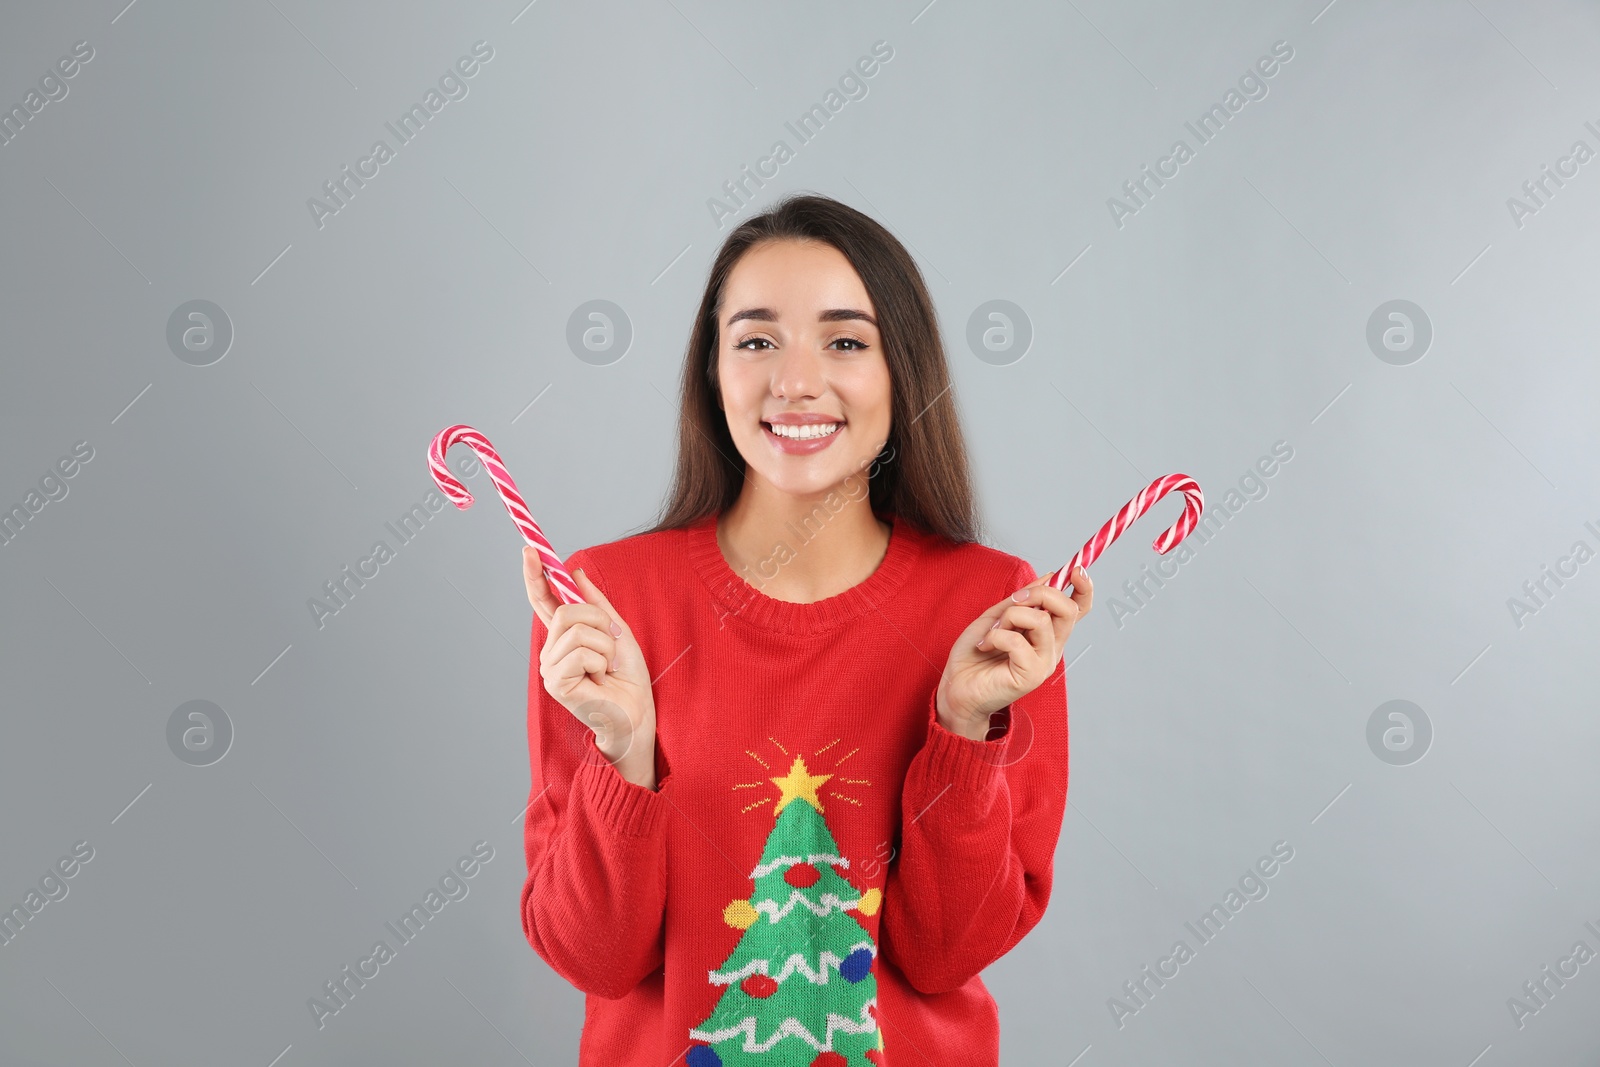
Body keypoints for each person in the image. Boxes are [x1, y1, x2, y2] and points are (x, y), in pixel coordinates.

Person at [519, 193, 1092, 1067]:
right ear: (712, 371)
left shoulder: (994, 614)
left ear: (903, 370)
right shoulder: (605, 604)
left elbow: (945, 955)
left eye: (846, 341)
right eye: (755, 340)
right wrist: (622, 752)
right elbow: (591, 955)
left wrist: (964, 731)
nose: (796, 381)